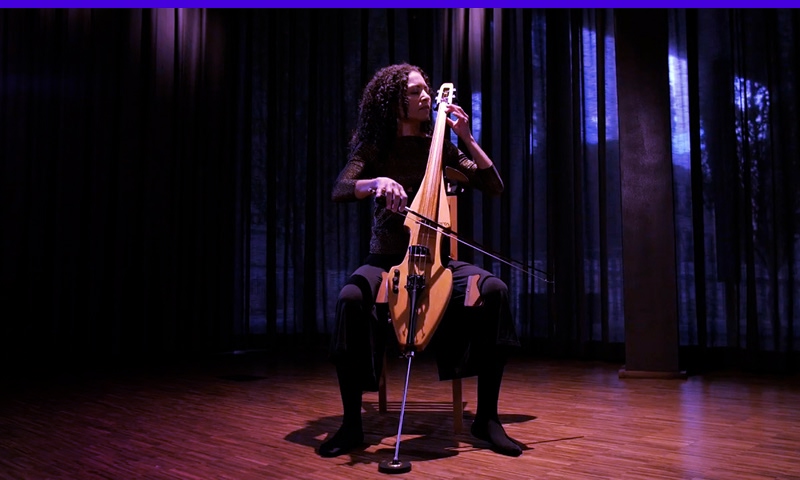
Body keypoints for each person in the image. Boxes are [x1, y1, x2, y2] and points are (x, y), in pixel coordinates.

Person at [319, 63, 522, 458]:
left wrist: (465, 137)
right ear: (394, 101)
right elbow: (341, 187)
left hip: (439, 262)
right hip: (387, 260)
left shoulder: (439, 144)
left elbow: (491, 185)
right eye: (414, 92)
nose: (425, 97)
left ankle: (487, 419)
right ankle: (351, 425)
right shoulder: (376, 146)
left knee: (495, 291)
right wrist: (374, 183)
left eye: (426, 90)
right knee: (349, 300)